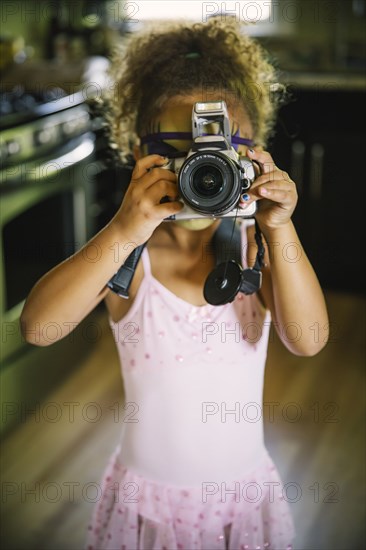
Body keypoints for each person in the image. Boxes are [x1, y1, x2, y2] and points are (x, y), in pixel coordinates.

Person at [20, 17, 329, 550]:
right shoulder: (129, 255)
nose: (202, 170)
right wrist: (124, 228)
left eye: (219, 152)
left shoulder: (259, 249)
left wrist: (280, 227)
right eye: (179, 151)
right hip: (147, 507)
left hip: (241, 499)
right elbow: (38, 329)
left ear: (250, 157)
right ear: (138, 153)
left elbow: (308, 338)